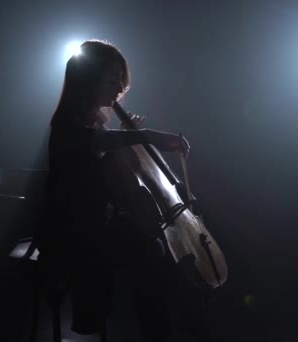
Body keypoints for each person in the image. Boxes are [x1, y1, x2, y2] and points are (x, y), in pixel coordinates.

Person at [34, 39, 190, 342]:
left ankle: (162, 329)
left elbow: (104, 157)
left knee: (151, 244)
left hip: (94, 222)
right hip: (67, 229)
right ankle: (155, 332)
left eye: (121, 80)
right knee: (147, 251)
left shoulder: (95, 122)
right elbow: (93, 146)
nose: (119, 88)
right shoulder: (67, 122)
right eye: (112, 79)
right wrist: (145, 136)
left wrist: (127, 138)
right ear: (88, 78)